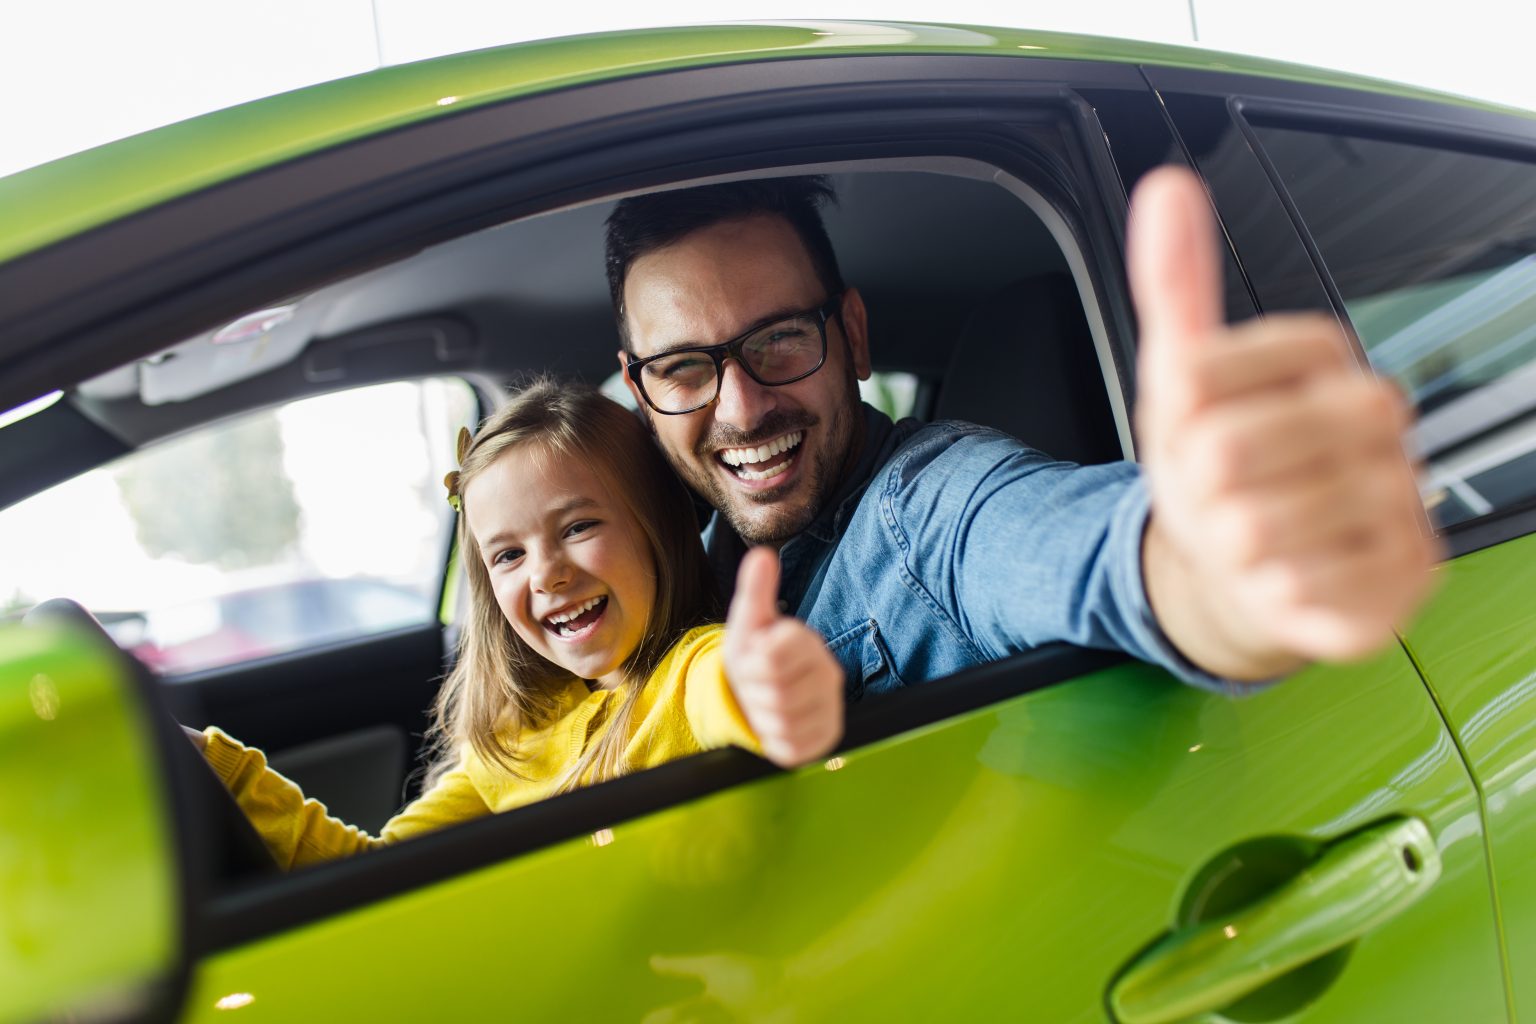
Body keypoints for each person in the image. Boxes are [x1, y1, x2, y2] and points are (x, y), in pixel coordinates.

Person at [607, 167, 1437, 695]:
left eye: (780, 339)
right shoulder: (676, 567)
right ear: (642, 391)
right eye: (684, 367)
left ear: (853, 336)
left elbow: (1077, 548)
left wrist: (1224, 572)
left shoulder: (926, 511)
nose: (742, 408)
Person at [186, 380, 844, 870]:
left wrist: (762, 685)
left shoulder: (689, 672)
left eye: (578, 527)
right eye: (508, 554)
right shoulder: (512, 742)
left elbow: (726, 687)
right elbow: (375, 878)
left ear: (658, 530)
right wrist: (220, 770)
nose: (546, 574)